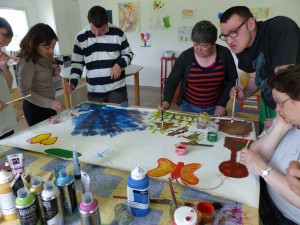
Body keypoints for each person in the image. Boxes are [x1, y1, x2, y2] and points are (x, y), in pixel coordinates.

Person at [219, 6, 300, 132]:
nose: (229, 41)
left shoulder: (280, 28)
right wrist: (244, 93)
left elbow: (286, 81)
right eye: (225, 36)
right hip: (269, 104)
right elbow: (253, 78)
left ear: (250, 24)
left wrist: (282, 117)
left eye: (233, 32)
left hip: (292, 106)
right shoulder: (241, 45)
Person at [240, 65, 300, 225]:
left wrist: (263, 169)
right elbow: (254, 153)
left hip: (288, 219)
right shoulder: (286, 120)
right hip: (265, 196)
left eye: (280, 103)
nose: (276, 109)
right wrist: (280, 128)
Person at [159, 20, 238, 116]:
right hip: (188, 106)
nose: (198, 50)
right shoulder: (186, 56)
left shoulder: (224, 54)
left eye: (204, 46)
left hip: (215, 108)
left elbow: (232, 80)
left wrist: (221, 104)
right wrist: (166, 101)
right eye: (195, 44)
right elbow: (172, 81)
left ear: (213, 43)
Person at [68, 5, 134, 104]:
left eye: (102, 30)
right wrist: (73, 82)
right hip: (95, 90)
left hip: (116, 89)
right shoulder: (80, 37)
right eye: (93, 29)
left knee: (119, 118)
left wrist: (119, 64)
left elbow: (129, 54)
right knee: (98, 119)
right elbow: (77, 62)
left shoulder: (118, 33)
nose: (97, 33)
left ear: (107, 22)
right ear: (89, 22)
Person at [17, 23, 64, 127]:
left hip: (49, 104)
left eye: (53, 46)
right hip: (35, 108)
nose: (51, 51)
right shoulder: (27, 61)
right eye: (47, 47)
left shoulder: (45, 57)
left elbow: (39, 77)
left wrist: (53, 73)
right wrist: (49, 103)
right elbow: (24, 92)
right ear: (34, 44)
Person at [0, 17, 17, 139]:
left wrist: (4, 68)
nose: (1, 48)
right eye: (0, 44)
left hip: (6, 123)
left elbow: (9, 86)